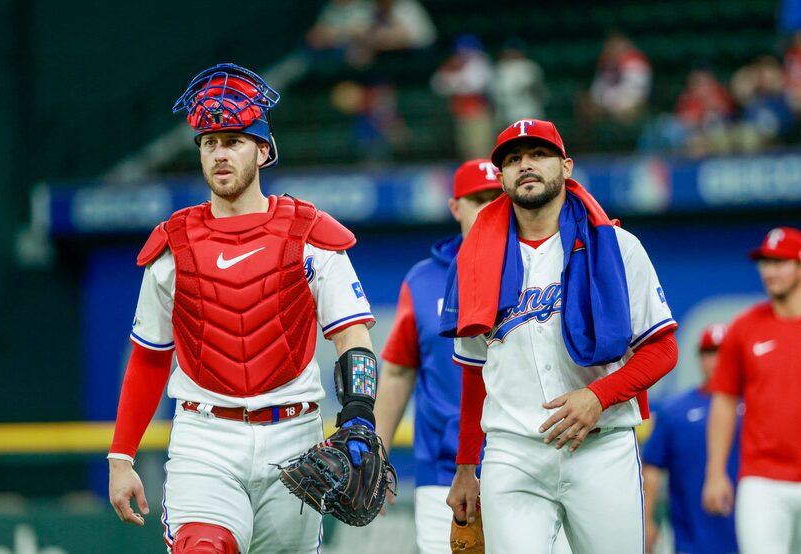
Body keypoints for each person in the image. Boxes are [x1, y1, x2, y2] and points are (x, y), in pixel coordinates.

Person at [106, 63, 379, 554]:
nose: (219, 153)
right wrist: (121, 456)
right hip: (204, 437)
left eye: (233, 140)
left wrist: (359, 413)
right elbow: (149, 356)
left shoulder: (310, 235)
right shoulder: (172, 246)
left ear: (263, 149)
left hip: (295, 438)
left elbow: (352, 335)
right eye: (209, 142)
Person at [442, 118, 679, 553]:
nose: (525, 165)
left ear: (566, 167)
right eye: (513, 159)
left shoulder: (618, 246)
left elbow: (663, 349)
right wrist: (464, 466)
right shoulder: (473, 259)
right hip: (513, 454)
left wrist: (600, 394)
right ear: (502, 177)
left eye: (538, 155)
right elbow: (474, 372)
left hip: (601, 447)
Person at [373, 159, 502, 554]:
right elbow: (397, 374)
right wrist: (377, 456)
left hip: (523, 464)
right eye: (477, 199)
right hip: (442, 475)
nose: (487, 207)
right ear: (454, 207)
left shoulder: (536, 267)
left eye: (496, 197)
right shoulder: (424, 279)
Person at [703, 227, 801, 554]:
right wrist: (715, 473)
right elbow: (724, 402)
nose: (769, 271)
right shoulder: (745, 328)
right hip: (763, 479)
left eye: (780, 262)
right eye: (765, 263)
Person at [642, 323, 740, 554]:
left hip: (751, 533)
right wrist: (646, 520)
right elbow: (652, 471)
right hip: (692, 539)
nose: (717, 360)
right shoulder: (674, 411)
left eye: (724, 352)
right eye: (710, 352)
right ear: (699, 358)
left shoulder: (756, 406)